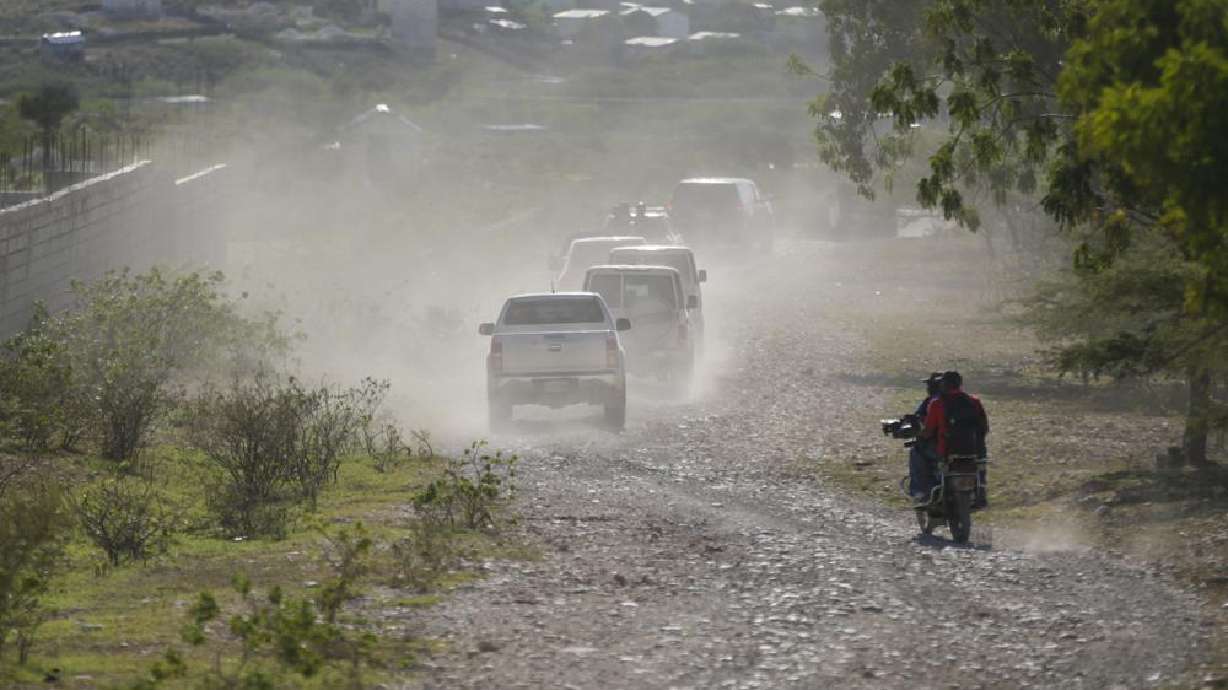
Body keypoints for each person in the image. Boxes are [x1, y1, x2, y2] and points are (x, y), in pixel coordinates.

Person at [921, 371, 990, 508]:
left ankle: (923, 493)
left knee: (921, 455)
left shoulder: (937, 404)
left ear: (944, 385)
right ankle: (980, 493)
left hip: (946, 451)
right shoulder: (974, 402)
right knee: (979, 466)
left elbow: (928, 431)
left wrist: (921, 436)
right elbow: (984, 428)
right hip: (975, 450)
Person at [908, 372, 943, 504]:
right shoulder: (967, 400)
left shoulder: (932, 402)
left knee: (916, 452)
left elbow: (921, 423)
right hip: (967, 448)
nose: (927, 388)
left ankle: (920, 491)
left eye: (929, 385)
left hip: (938, 448)